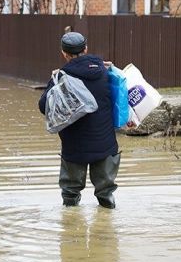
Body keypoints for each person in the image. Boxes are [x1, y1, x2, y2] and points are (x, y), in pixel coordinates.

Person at [38, 32, 120, 209]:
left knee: (70, 193)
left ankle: (71, 230)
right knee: (106, 193)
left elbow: (44, 105)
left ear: (64, 53)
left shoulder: (61, 77)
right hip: (105, 145)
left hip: (74, 147)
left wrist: (53, 82)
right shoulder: (106, 72)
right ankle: (107, 229)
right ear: (86, 49)